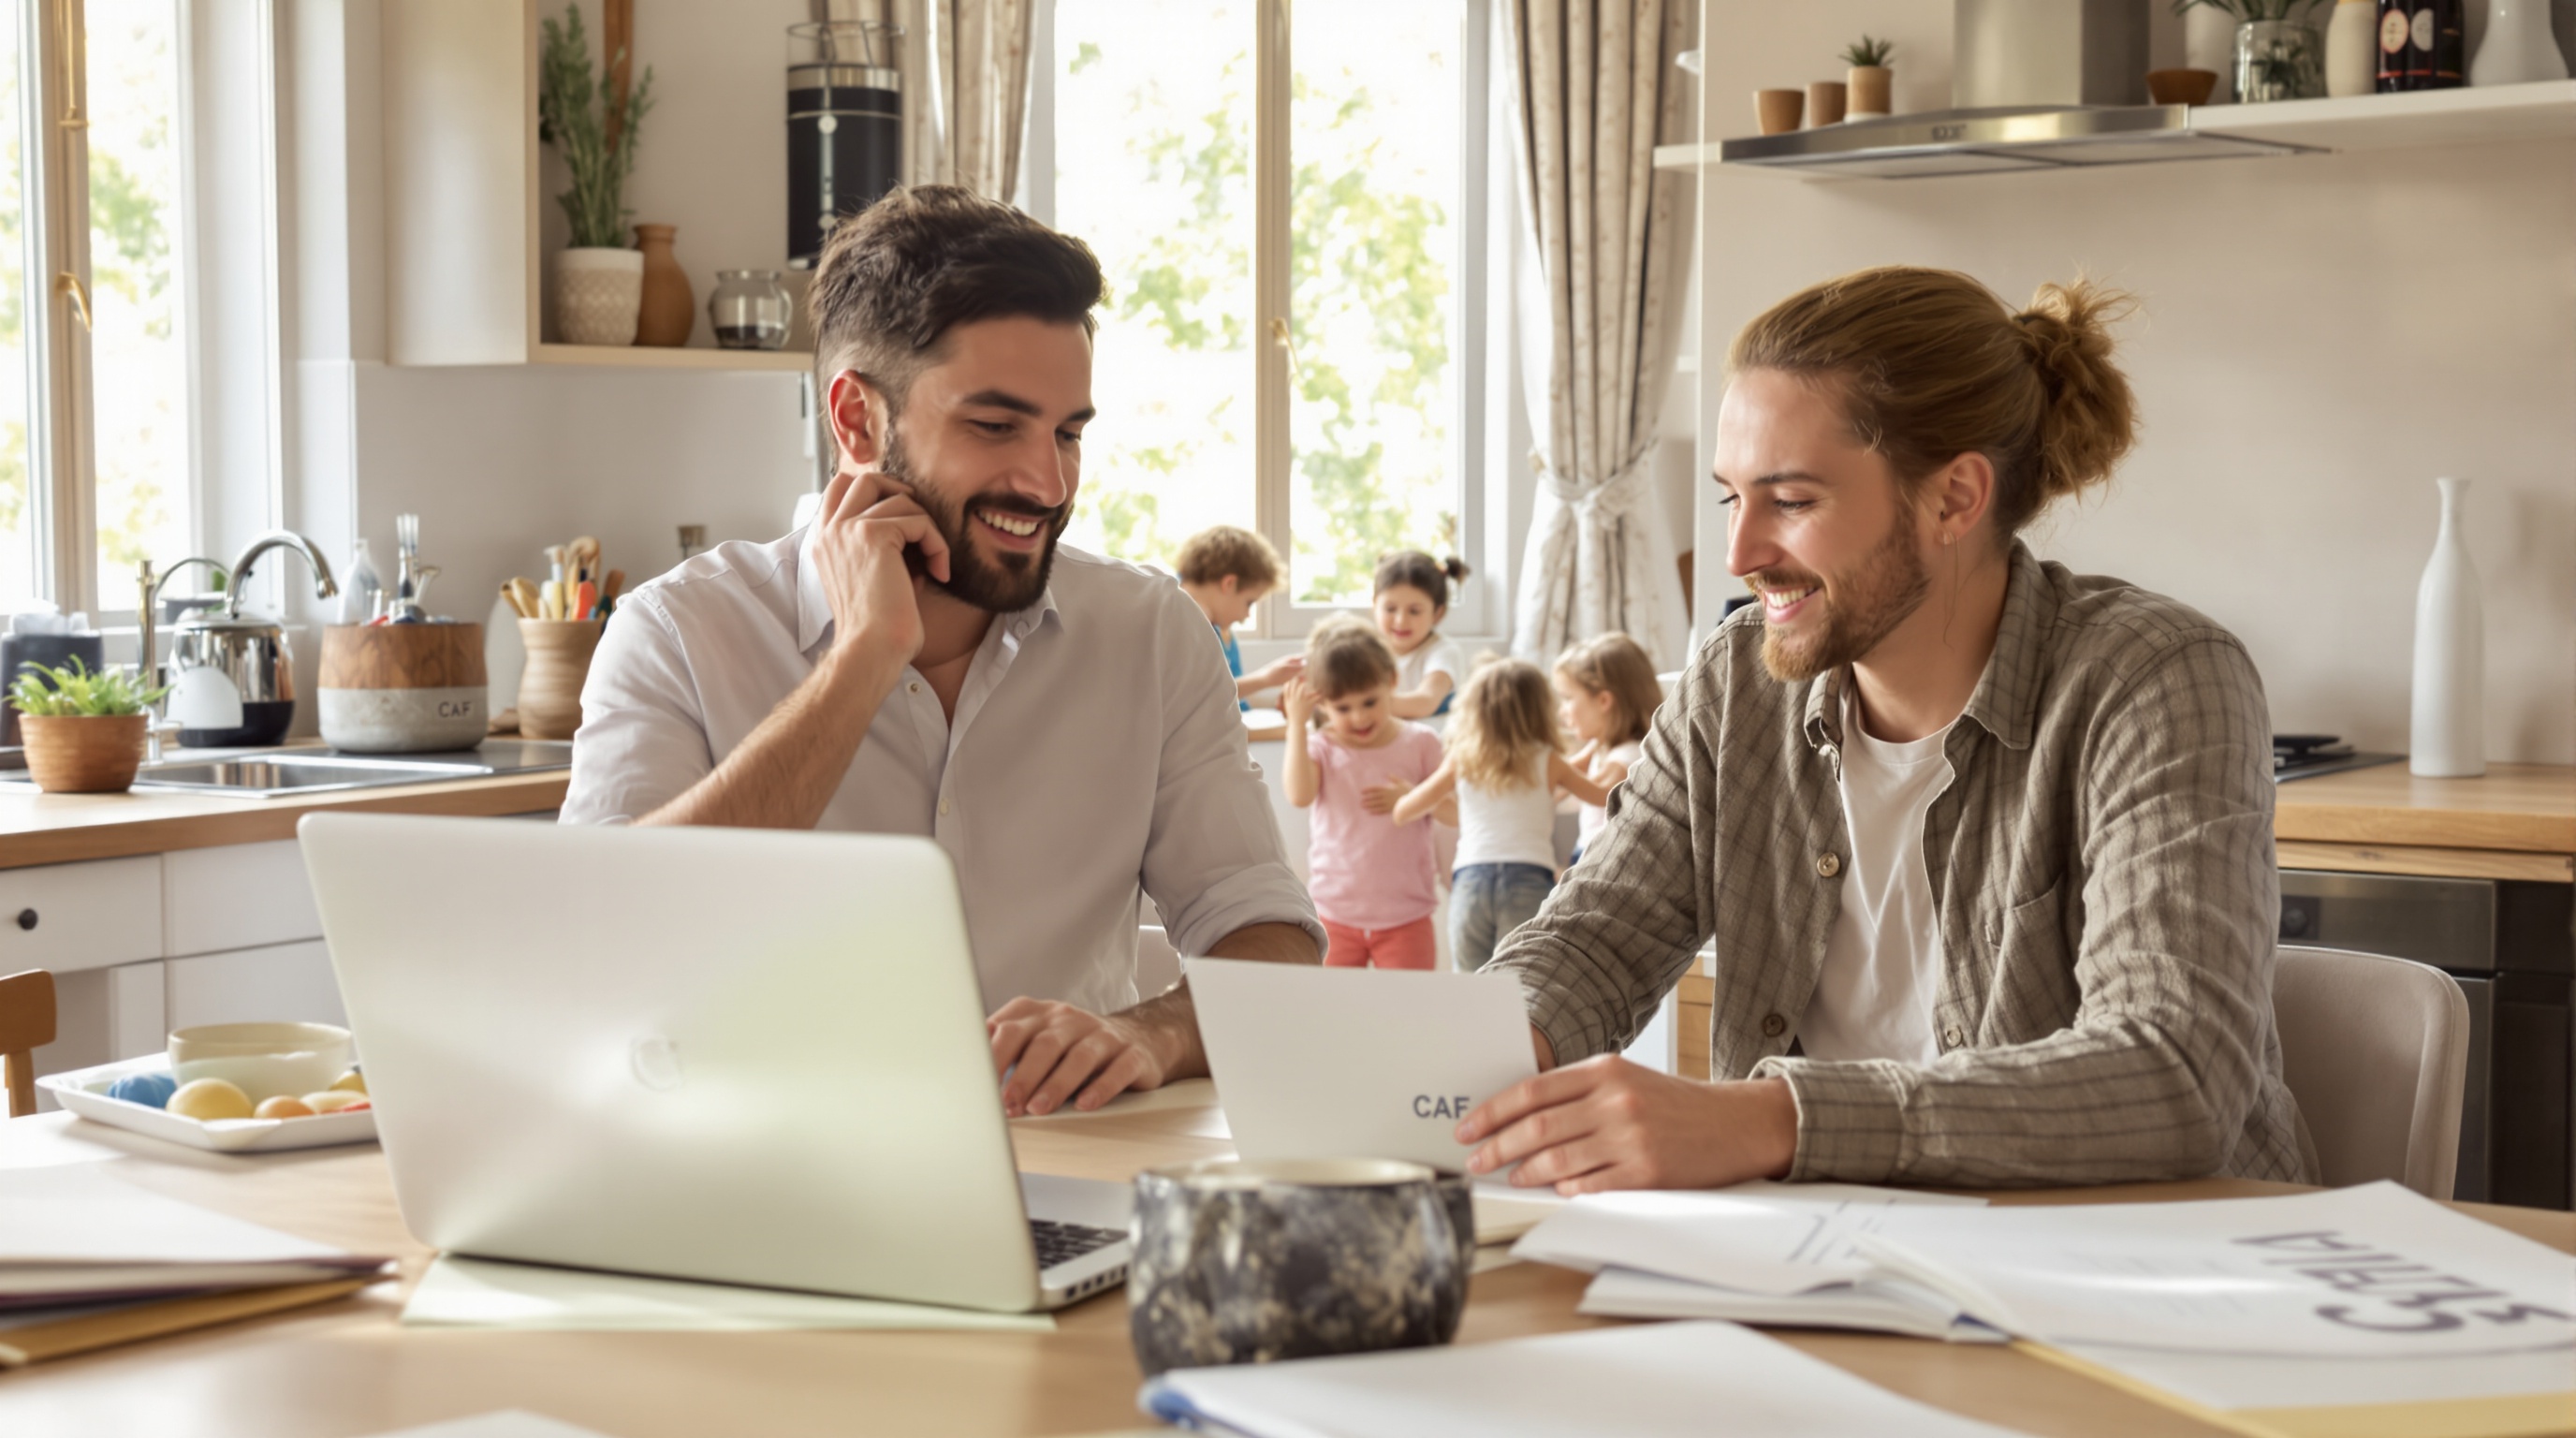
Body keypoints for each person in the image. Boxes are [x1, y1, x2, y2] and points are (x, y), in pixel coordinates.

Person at [1454, 267, 2314, 1196]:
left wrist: (1771, 1120)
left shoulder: (2154, 679)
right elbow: (1596, 938)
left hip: (2149, 1256)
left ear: (1954, 498)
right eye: (1731, 498)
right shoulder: (1734, 683)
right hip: (1828, 1249)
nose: (1740, 554)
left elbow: (2172, 1073)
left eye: (1791, 501)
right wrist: (1462, 1064)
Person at [560, 186, 1322, 1119]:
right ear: (856, 421)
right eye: (995, 427)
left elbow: (1269, 935)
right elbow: (606, 958)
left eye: (1068, 433)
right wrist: (861, 662)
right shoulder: (677, 632)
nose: (1048, 483)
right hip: (756, 1167)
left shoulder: (1151, 632)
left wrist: (1148, 1033)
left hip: (1067, 1171)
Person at [1392, 658, 1606, 970]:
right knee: (1521, 979)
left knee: (1471, 980)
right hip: (1529, 878)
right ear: (1539, 709)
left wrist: (1403, 796)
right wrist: (1606, 746)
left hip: (1472, 880)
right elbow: (1602, 796)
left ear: (1475, 710)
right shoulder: (1548, 759)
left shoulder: (1462, 758)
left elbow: (1404, 812)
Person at [1280, 619, 1447, 970]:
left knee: (1409, 1004)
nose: (1358, 717)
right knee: (1334, 1004)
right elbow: (1298, 795)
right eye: (1343, 708)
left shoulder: (1421, 743)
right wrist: (1296, 725)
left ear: (1392, 681)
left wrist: (1412, 798)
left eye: (1370, 702)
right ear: (1322, 704)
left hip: (1407, 916)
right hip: (1334, 914)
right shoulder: (1322, 747)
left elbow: (1457, 812)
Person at [1552, 632, 1662, 860]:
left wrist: (1556, 770)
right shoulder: (1599, 746)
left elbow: (1599, 792)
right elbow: (1566, 777)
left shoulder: (1628, 755)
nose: (1562, 711)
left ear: (1604, 701)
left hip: (1603, 857)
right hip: (1589, 851)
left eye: (1568, 698)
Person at [1176, 524, 1302, 707]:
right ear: (1229, 584)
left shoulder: (1216, 631)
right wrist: (1266, 678)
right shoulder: (1177, 622)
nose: (1246, 616)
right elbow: (1198, 698)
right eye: (1249, 603)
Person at [1373, 552, 1471, 719]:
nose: (1401, 620)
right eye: (1390, 609)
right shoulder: (1366, 650)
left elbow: (1426, 701)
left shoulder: (1444, 651)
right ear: (1375, 605)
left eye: (1414, 611)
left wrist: (1364, 705)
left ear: (1438, 613)